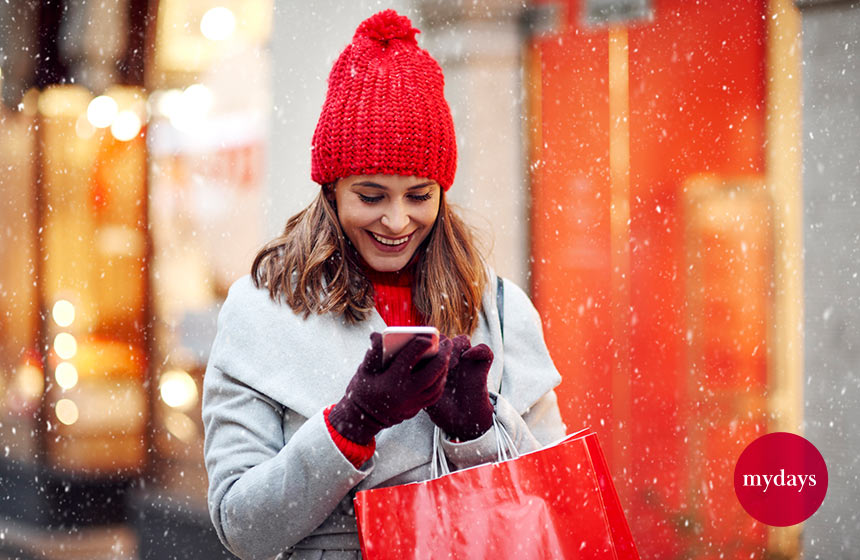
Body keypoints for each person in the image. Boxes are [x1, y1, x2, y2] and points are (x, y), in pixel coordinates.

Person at [202, 9, 566, 560]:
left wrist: (477, 432)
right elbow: (242, 527)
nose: (396, 222)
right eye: (371, 196)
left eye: (419, 195)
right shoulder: (261, 313)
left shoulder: (499, 310)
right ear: (331, 190)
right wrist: (351, 424)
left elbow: (553, 504)